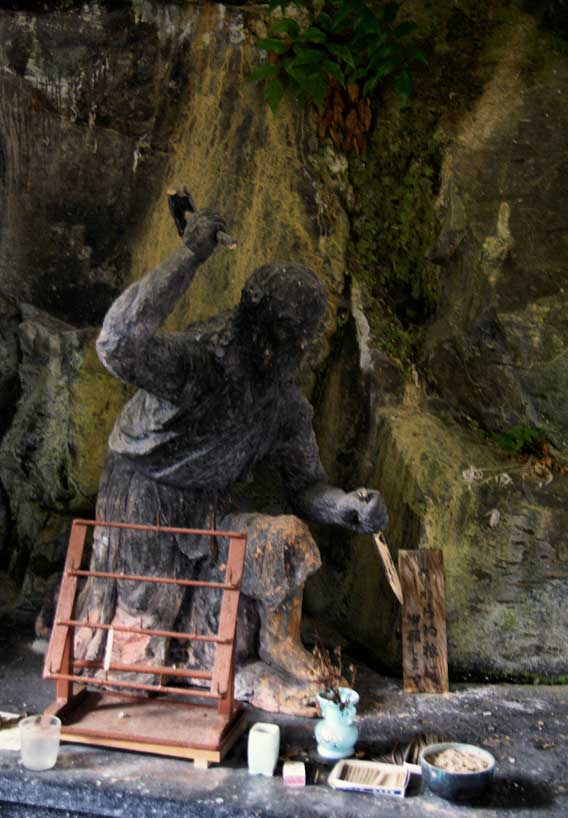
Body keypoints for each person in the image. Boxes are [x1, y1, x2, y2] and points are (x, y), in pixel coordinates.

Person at [75, 202, 388, 684]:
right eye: (288, 334)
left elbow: (306, 486)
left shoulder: (284, 407)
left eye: (305, 338)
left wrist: (346, 505)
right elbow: (116, 343)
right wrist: (188, 257)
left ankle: (252, 658)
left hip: (210, 509)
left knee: (235, 637)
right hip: (143, 495)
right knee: (140, 657)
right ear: (255, 321)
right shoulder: (199, 364)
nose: (298, 350)